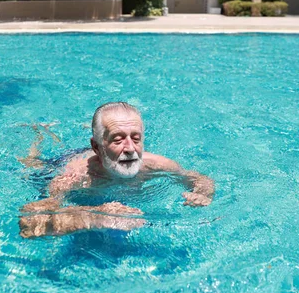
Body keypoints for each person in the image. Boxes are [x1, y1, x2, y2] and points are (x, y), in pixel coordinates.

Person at [19, 102, 215, 239]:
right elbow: (30, 223)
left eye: (136, 138)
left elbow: (200, 179)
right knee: (32, 163)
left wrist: (202, 194)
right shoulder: (73, 177)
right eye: (118, 139)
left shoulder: (157, 165)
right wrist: (96, 215)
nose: (130, 148)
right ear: (96, 148)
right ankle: (38, 133)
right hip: (59, 163)